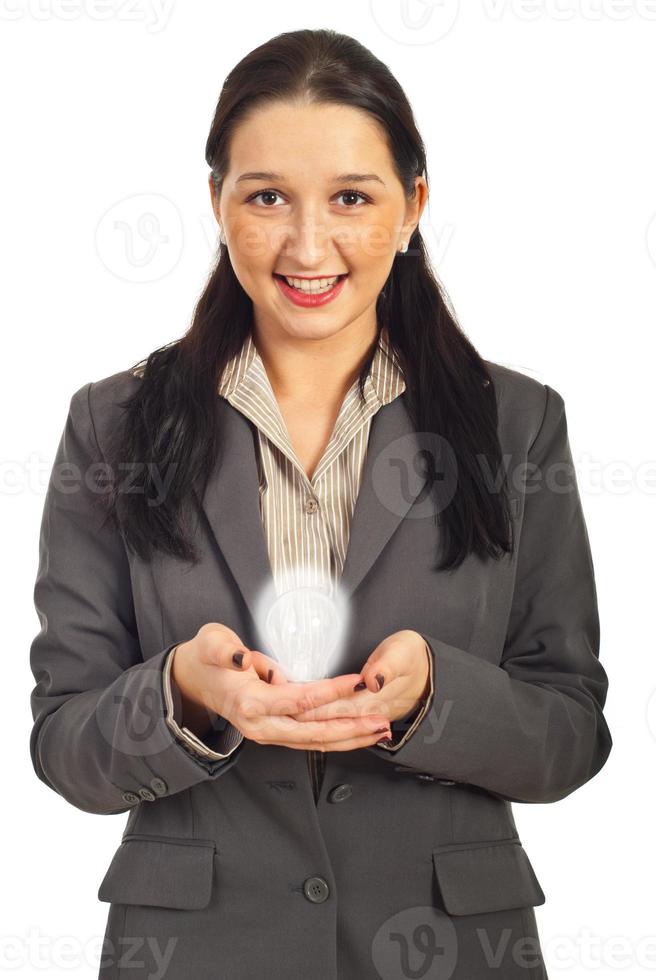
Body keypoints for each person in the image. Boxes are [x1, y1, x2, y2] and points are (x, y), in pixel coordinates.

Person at [28, 28, 612, 980]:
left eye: (352, 197)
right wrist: (182, 690)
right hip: (199, 952)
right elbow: (65, 743)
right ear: (217, 203)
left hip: (450, 946)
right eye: (266, 197)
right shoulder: (113, 424)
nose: (308, 245)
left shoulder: (518, 424)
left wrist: (438, 698)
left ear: (413, 205)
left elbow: (572, 732)